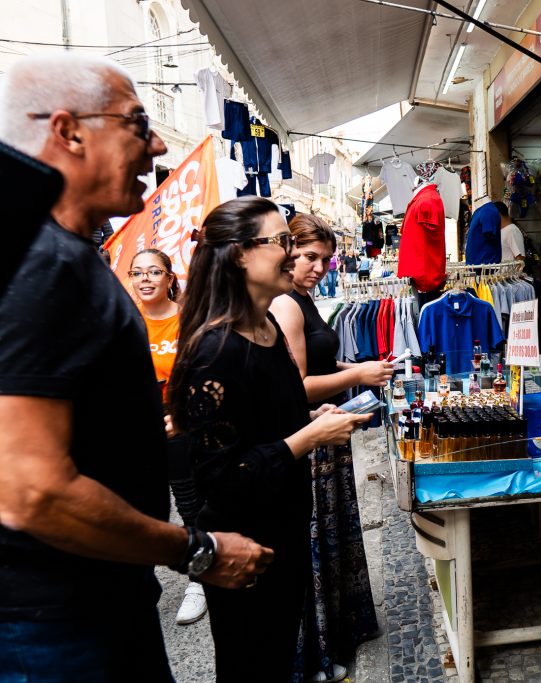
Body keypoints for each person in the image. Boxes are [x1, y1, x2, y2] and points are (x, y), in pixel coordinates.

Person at [0, 53, 269, 682]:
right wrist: (195, 550)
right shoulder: (45, 265)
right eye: (136, 122)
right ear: (68, 131)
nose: (154, 145)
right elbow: (31, 490)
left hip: (86, 603)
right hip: (57, 622)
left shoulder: (63, 255)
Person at [167, 196, 373, 682]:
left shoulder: (267, 328)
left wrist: (308, 414)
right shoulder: (214, 350)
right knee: (250, 667)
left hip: (286, 530)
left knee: (279, 658)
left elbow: (262, 418)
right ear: (239, 254)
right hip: (243, 547)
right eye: (282, 241)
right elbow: (223, 481)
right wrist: (307, 436)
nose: (293, 252)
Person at [270, 214, 393, 680]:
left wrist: (359, 366)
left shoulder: (304, 299)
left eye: (325, 259)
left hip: (327, 430)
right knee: (315, 542)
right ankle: (314, 654)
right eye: (309, 257)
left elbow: (320, 359)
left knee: (330, 536)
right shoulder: (286, 305)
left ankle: (333, 640)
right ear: (288, 252)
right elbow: (295, 386)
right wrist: (357, 376)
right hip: (311, 435)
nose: (319, 267)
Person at [129, 248, 209, 627]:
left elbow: (203, 372)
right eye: (137, 272)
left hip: (181, 421)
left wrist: (183, 413)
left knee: (188, 499)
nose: (145, 279)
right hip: (137, 423)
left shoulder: (187, 320)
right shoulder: (124, 322)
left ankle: (199, 576)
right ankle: (142, 580)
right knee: (141, 502)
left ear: (169, 279)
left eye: (153, 272)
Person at [464, 199, 502, 265]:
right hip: (479, 266)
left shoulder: (488, 211)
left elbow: (489, 234)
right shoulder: (479, 211)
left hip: (486, 266)